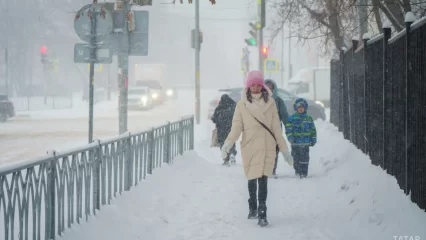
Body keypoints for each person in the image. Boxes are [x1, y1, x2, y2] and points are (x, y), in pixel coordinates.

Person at [221, 70, 294, 227]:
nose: (255, 87)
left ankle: (262, 212)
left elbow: (276, 128)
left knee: (263, 179)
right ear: (248, 85)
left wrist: (284, 150)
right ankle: (252, 205)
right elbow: (236, 127)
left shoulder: (271, 103)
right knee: (252, 177)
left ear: (261, 85)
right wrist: (228, 143)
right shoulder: (242, 105)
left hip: (267, 145)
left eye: (258, 84)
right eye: (252, 84)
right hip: (250, 146)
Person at [285, 98, 317, 178]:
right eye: (299, 107)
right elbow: (288, 129)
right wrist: (290, 138)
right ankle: (298, 171)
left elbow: (313, 130)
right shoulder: (291, 118)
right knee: (296, 159)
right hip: (295, 143)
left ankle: (304, 172)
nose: (301, 109)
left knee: (305, 159)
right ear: (296, 108)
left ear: (305, 108)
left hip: (305, 143)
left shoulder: (308, 118)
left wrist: (313, 139)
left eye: (302, 107)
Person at [264, 79, 289, 178]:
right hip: (262, 130)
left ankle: (272, 170)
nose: (269, 90)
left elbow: (284, 115)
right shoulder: (259, 100)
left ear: (274, 89)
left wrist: (289, 127)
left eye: (271, 88)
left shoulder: (278, 101)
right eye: (267, 88)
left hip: (275, 130)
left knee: (274, 150)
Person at [212, 94, 237, 166]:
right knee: (231, 142)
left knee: (223, 144)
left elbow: (214, 119)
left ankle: (226, 159)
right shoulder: (233, 107)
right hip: (232, 129)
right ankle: (232, 153)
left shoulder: (219, 108)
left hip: (222, 130)